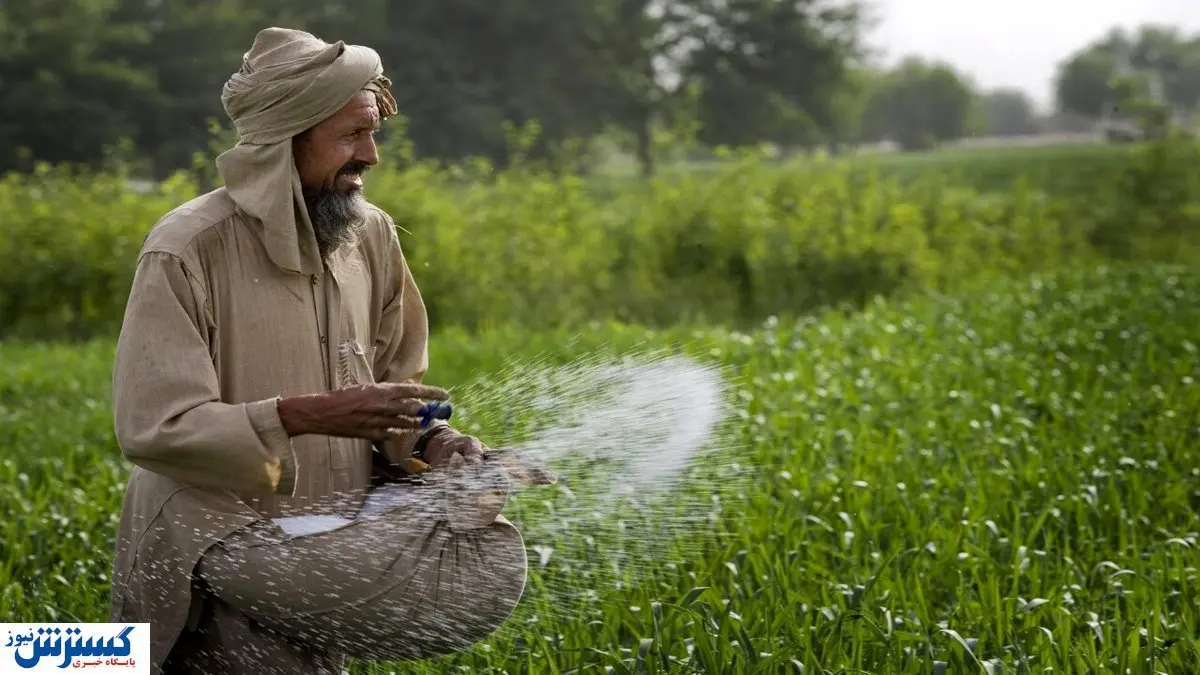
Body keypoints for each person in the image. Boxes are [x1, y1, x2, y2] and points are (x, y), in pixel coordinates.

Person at [107, 27, 550, 675]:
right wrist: (309, 414)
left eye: (374, 133)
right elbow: (153, 425)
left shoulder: (368, 233)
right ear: (286, 141)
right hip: (213, 541)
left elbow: (397, 388)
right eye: (351, 136)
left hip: (323, 546)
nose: (371, 155)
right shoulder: (186, 247)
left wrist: (431, 442)